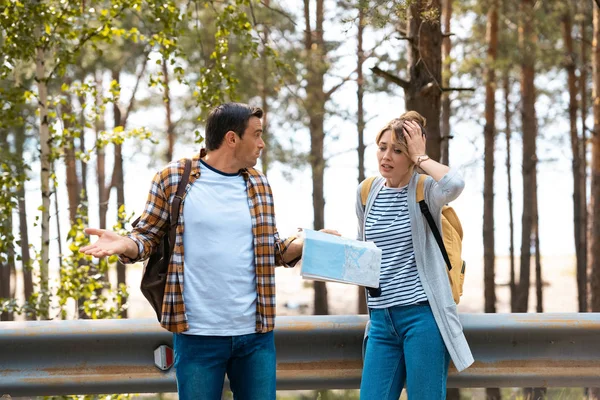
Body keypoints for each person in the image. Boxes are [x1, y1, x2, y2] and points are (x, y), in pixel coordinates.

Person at [80, 102, 338, 400]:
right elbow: (146, 237)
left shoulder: (259, 185)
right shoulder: (174, 178)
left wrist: (309, 241)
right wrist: (124, 243)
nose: (261, 143)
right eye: (256, 135)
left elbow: (272, 251)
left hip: (255, 336)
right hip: (197, 336)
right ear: (232, 138)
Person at [357, 111, 473, 399]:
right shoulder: (366, 192)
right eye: (382, 147)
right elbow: (367, 254)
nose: (386, 156)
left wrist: (422, 157)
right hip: (381, 322)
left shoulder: (425, 189)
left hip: (422, 318)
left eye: (397, 150)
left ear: (411, 156)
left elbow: (455, 184)